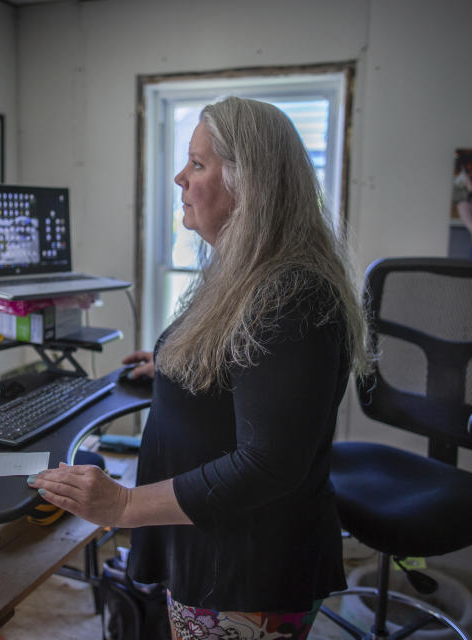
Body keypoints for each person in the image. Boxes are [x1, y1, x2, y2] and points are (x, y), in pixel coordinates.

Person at [28, 96, 369, 639]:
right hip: (211, 546)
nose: (179, 178)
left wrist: (123, 504)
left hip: (243, 569)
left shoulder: (292, 296)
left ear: (248, 185)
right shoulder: (245, 272)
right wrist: (173, 365)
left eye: (198, 163)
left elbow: (267, 464)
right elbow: (239, 366)